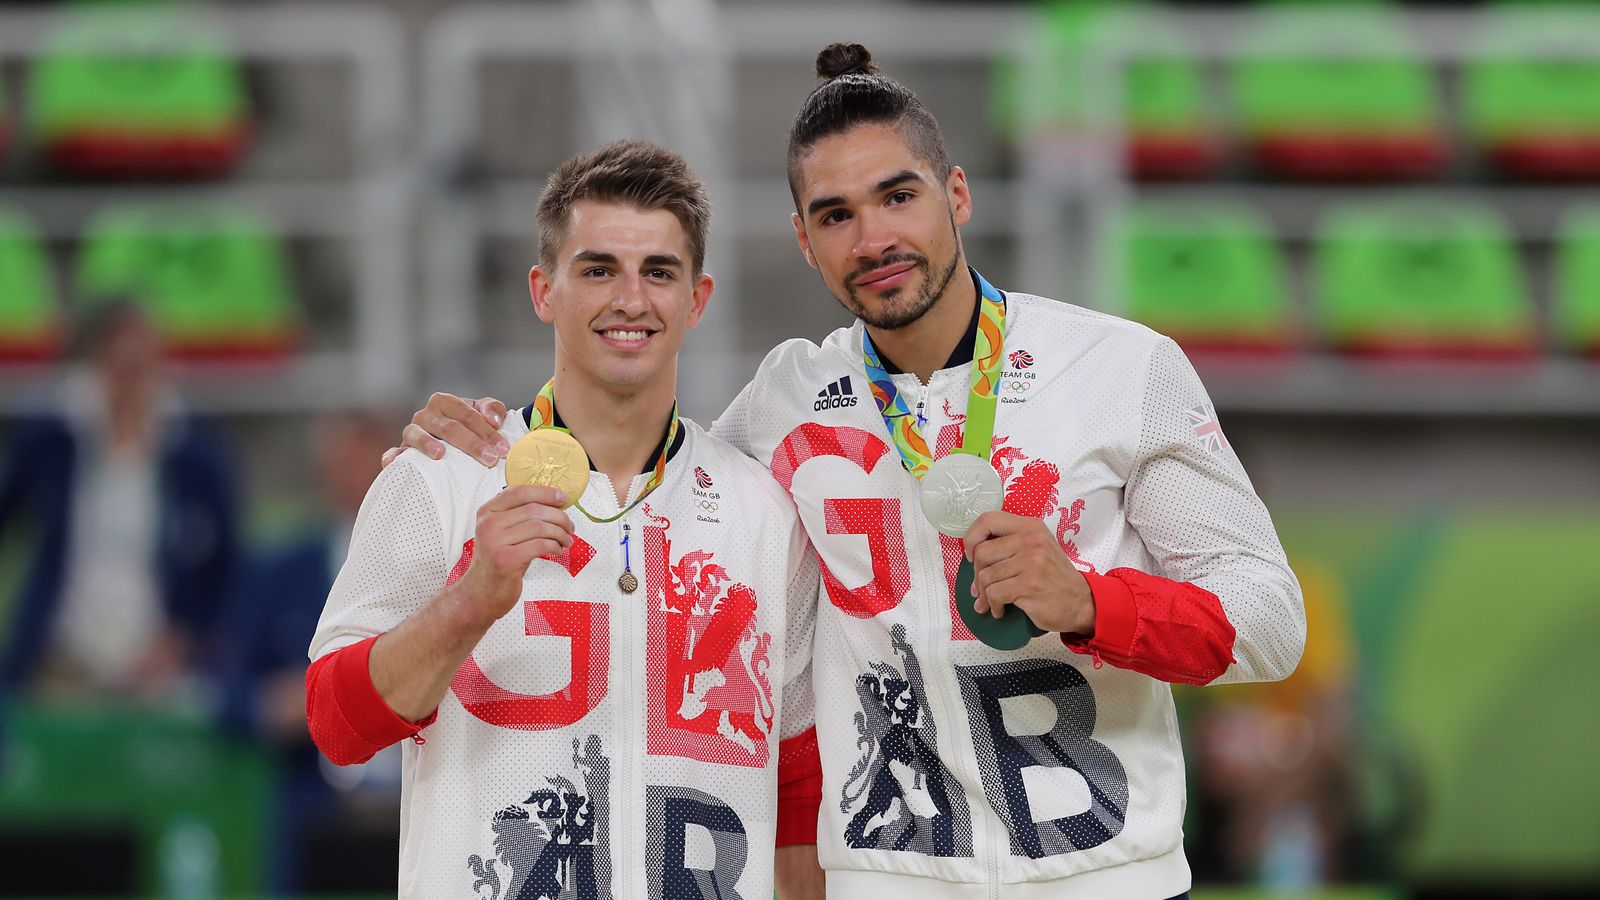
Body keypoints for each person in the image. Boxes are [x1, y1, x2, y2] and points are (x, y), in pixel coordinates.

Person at [398, 44, 1306, 899]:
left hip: (1111, 877)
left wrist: (1091, 603)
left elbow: (1270, 621)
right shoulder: (787, 399)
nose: (873, 237)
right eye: (837, 215)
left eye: (898, 196)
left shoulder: (1121, 369)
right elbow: (643, 468)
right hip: (886, 884)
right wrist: (497, 431)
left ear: (956, 194)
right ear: (804, 239)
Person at [304, 140, 821, 899]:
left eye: (659, 272)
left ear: (697, 300)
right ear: (545, 290)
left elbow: (800, 782)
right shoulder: (442, 476)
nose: (631, 300)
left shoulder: (765, 512)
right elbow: (336, 726)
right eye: (599, 269)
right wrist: (471, 600)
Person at [0, 300, 238, 700]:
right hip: (62, 654)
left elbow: (227, 565)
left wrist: (184, 636)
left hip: (157, 662)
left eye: (141, 366)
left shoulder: (196, 452)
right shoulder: (51, 438)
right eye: (120, 365)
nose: (131, 381)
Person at [217, 413, 402, 894]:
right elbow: (227, 693)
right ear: (323, 470)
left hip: (418, 797)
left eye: (370, 460)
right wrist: (273, 704)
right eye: (343, 461)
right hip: (315, 808)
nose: (357, 475)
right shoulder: (277, 572)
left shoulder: (441, 561)